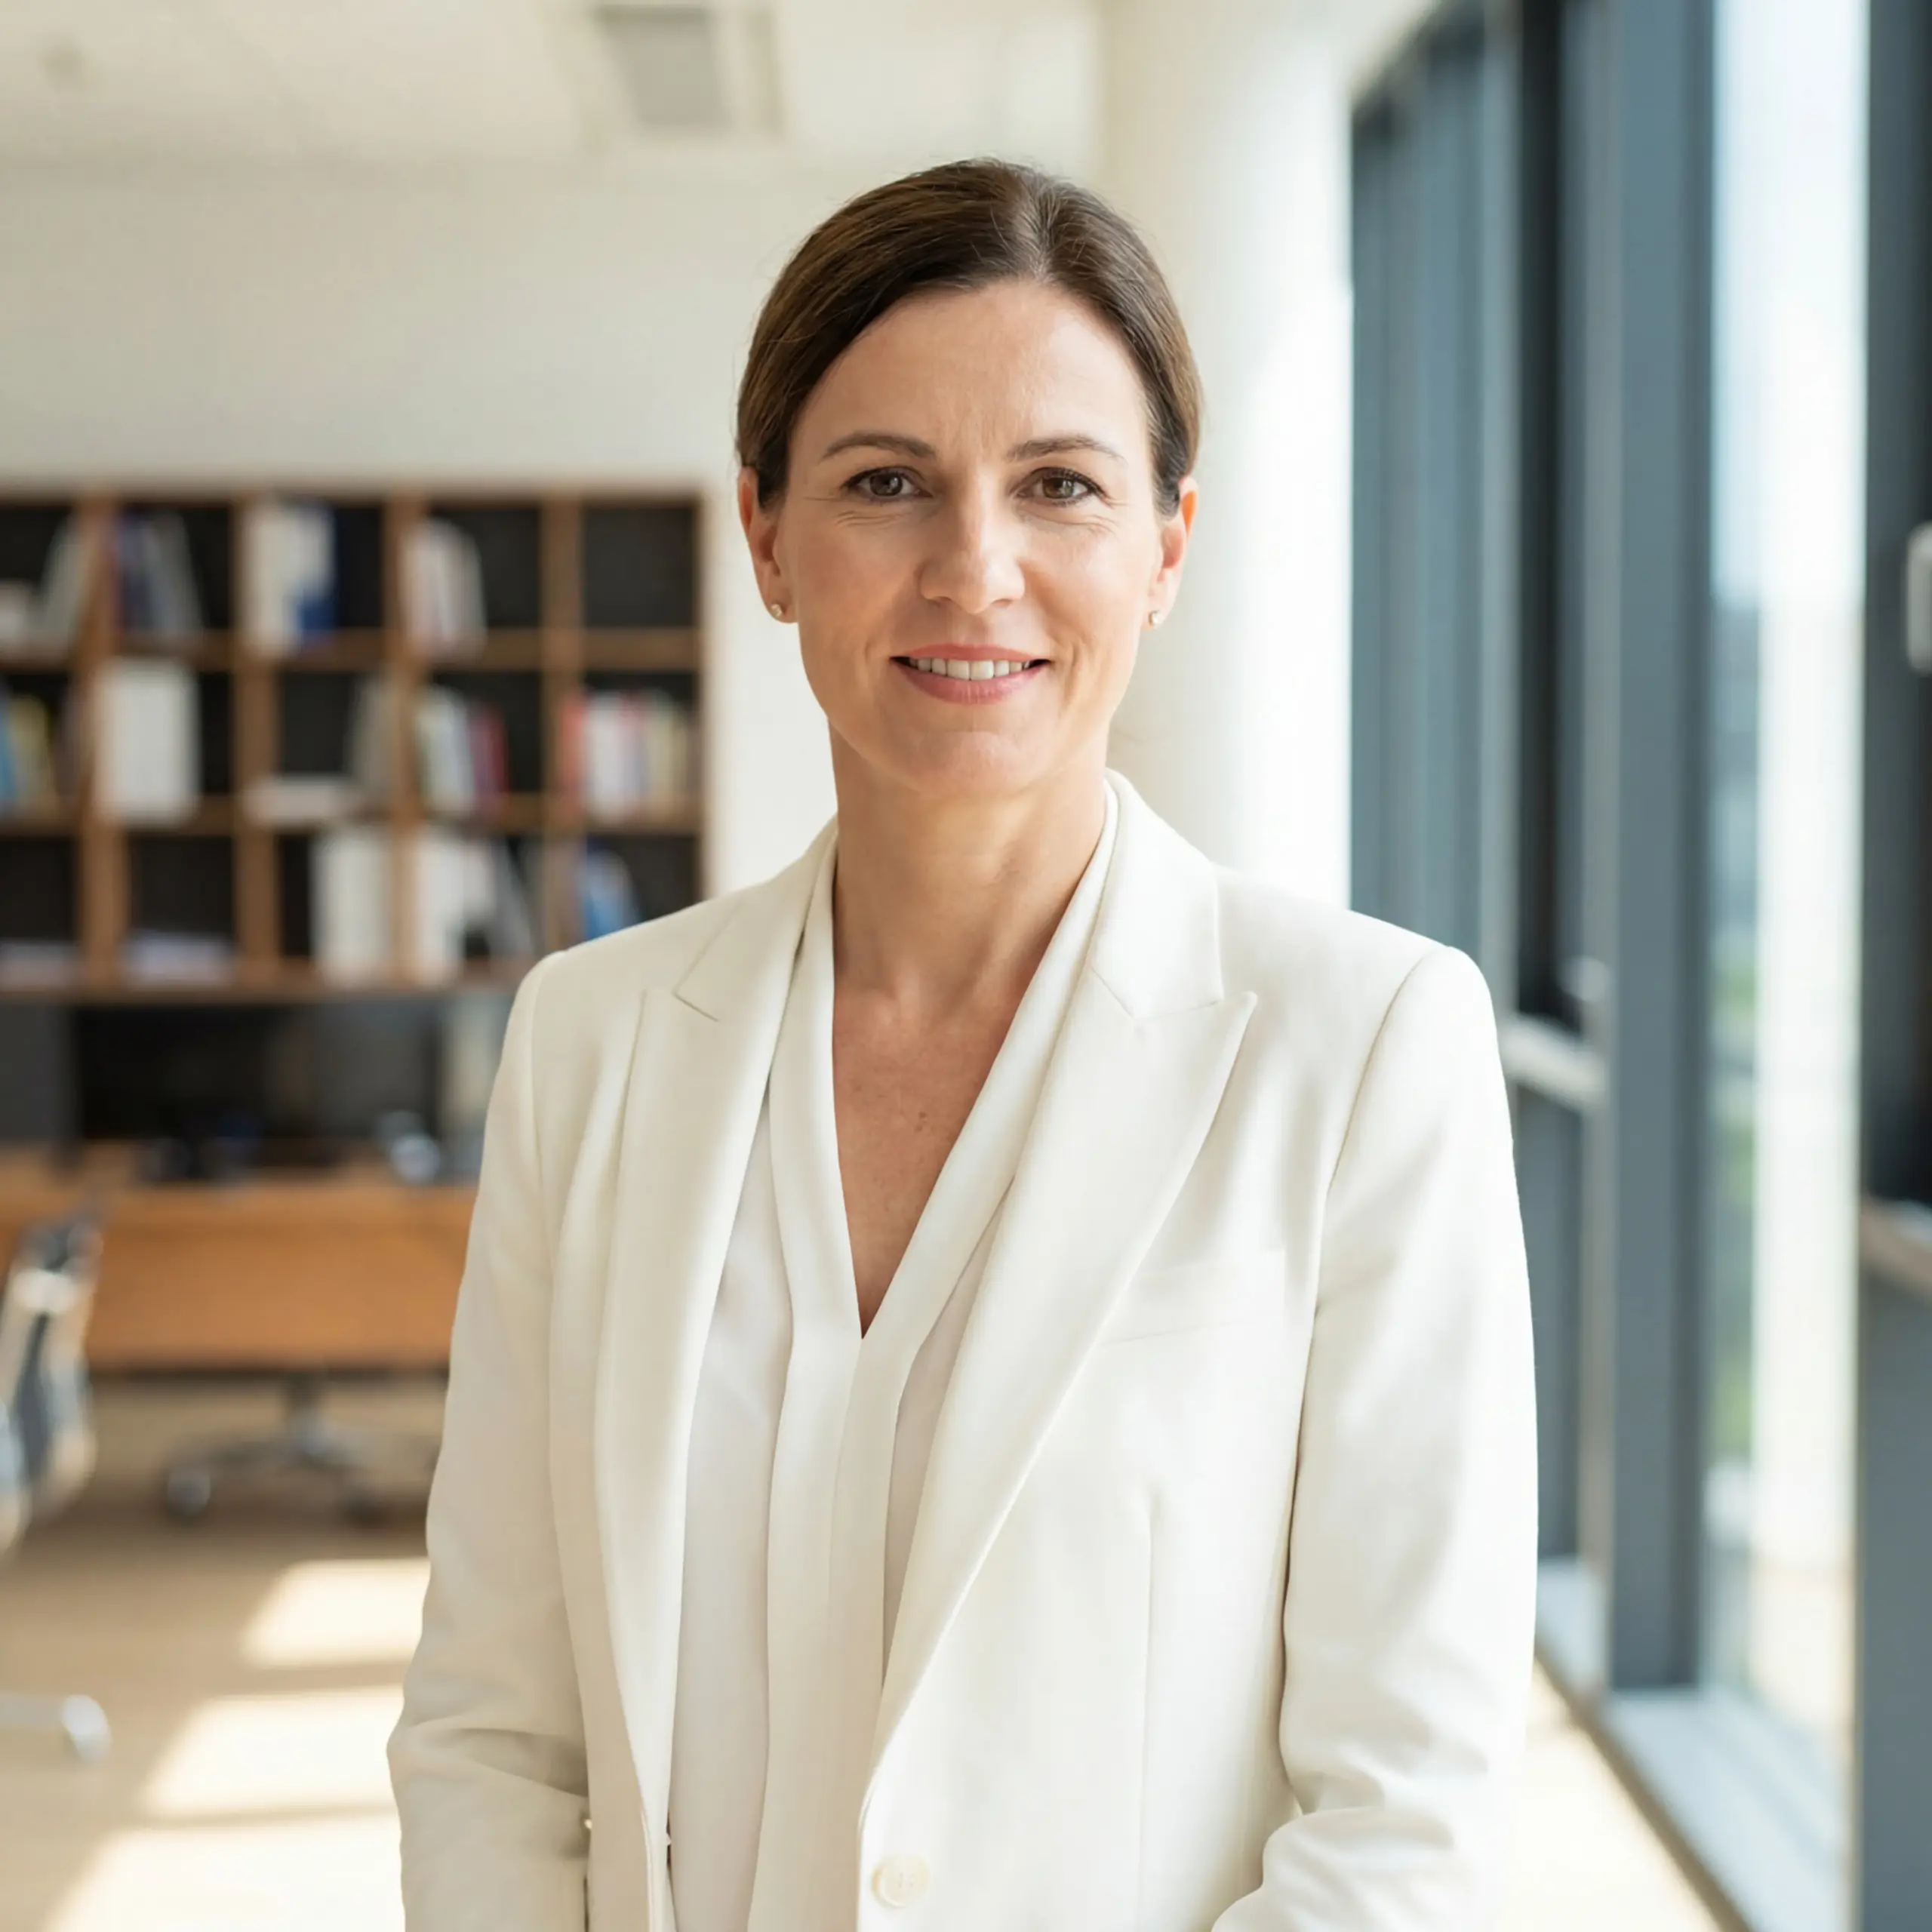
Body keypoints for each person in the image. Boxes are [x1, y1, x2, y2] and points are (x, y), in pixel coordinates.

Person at [390, 157, 1537, 1932]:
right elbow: (493, 1729)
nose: (972, 567)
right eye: (885, 483)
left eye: (1059, 485)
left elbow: (1407, 1808)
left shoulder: (1364, 1048)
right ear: (767, 537)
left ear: (1165, 546)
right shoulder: (589, 1043)